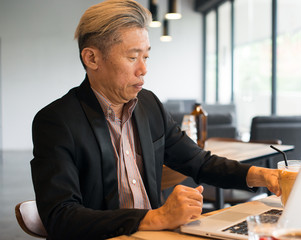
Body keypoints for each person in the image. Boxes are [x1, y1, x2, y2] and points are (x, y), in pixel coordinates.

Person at [30, 0, 281, 239]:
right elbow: (61, 217)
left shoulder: (149, 105)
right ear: (92, 58)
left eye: (146, 56)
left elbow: (198, 162)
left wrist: (263, 175)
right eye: (132, 57)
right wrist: (155, 218)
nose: (143, 69)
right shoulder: (55, 122)